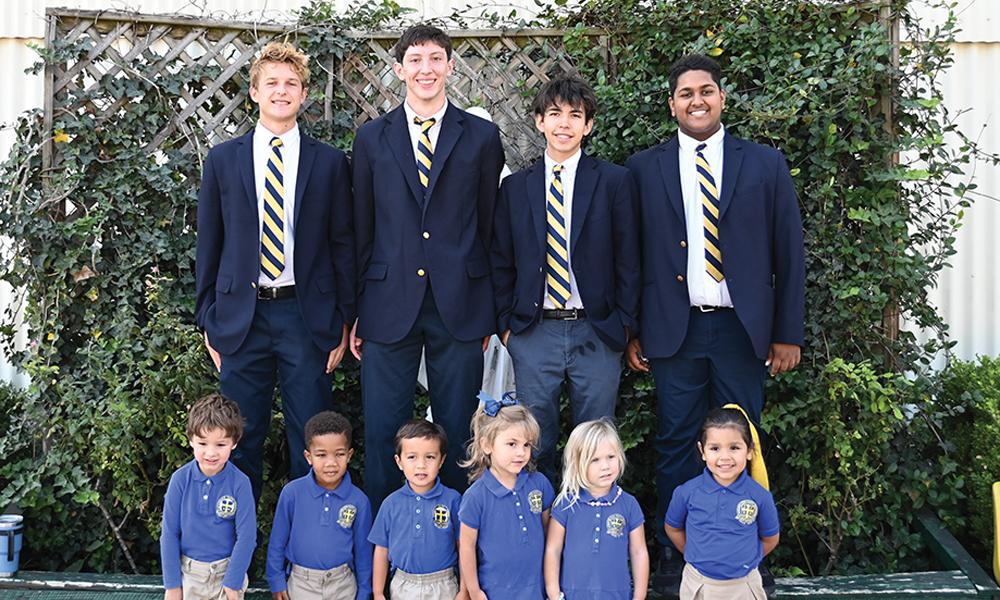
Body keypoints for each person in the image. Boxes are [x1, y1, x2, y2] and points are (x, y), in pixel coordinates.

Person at [623, 53, 804, 584]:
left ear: (722, 97)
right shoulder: (643, 167)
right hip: (673, 329)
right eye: (685, 93)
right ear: (672, 103)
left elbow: (788, 252)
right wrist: (633, 329)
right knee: (677, 440)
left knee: (741, 440)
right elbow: (631, 256)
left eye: (706, 91)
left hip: (740, 328)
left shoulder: (764, 164)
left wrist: (787, 332)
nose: (696, 100)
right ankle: (680, 559)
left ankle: (748, 562)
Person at [350, 24, 506, 510]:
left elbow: (489, 226)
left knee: (459, 431)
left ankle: (455, 543)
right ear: (399, 70)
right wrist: (354, 309)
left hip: (459, 304)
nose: (426, 68)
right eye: (415, 59)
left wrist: (489, 307)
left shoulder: (480, 136)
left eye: (435, 58)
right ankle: (384, 553)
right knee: (382, 430)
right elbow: (361, 229)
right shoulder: (372, 138)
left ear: (450, 67)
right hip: (386, 303)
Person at [195, 42, 355, 502]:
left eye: (291, 84)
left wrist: (343, 320)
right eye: (272, 83)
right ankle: (234, 552)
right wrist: (208, 315)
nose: (281, 92)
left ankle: (311, 552)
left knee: (313, 436)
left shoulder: (327, 162)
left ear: (304, 94)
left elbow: (341, 243)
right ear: (254, 92)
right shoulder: (224, 160)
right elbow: (210, 243)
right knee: (238, 438)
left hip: (305, 316)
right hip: (241, 317)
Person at [491, 75, 639, 482]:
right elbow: (501, 260)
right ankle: (538, 529)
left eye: (576, 116)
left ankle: (590, 533)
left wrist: (624, 324)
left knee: (596, 439)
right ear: (539, 121)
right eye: (555, 114)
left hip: (596, 329)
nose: (564, 124)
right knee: (533, 440)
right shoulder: (515, 188)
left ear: (588, 125)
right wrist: (507, 326)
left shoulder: (613, 181)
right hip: (534, 330)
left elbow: (629, 259)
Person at [665, 408, 779, 599]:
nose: (724, 457)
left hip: (745, 586)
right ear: (702, 451)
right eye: (715, 448)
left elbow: (770, 539)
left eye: (734, 447)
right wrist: (694, 554)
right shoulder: (686, 493)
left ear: (750, 450)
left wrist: (746, 558)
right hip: (698, 585)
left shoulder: (760, 496)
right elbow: (673, 528)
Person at [266, 411, 373, 600]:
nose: (331, 463)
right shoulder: (292, 493)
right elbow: (277, 542)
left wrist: (364, 590)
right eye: (321, 455)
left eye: (339, 454)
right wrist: (276, 579)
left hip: (343, 584)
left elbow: (363, 551)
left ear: (349, 455)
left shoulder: (359, 500)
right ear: (308, 457)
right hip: (300, 583)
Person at [161, 393, 256, 600]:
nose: (211, 453)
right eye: (203, 443)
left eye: (220, 445)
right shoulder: (180, 480)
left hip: (226, 574)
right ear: (191, 440)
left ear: (234, 442)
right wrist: (172, 585)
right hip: (189, 575)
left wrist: (233, 581)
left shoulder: (240, 483)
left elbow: (247, 536)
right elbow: (169, 533)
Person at [458, 398, 553, 600]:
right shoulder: (475, 497)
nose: (521, 453)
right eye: (512, 444)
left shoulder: (540, 484)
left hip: (537, 590)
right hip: (496, 592)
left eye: (526, 445)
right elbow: (466, 548)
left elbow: (549, 533)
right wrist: (474, 592)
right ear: (487, 445)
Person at [543, 419, 648, 600]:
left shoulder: (629, 504)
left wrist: (639, 596)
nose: (605, 466)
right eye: (595, 460)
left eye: (611, 457)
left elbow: (639, 552)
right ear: (577, 463)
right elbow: (553, 549)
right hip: (572, 595)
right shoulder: (566, 504)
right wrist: (554, 594)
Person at [369, 420, 463, 600]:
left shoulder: (453, 500)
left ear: (441, 460)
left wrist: (464, 590)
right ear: (399, 461)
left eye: (430, 457)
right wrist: (378, 593)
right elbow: (381, 551)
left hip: (444, 585)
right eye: (412, 457)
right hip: (403, 585)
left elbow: (463, 548)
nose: (421, 465)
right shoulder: (391, 504)